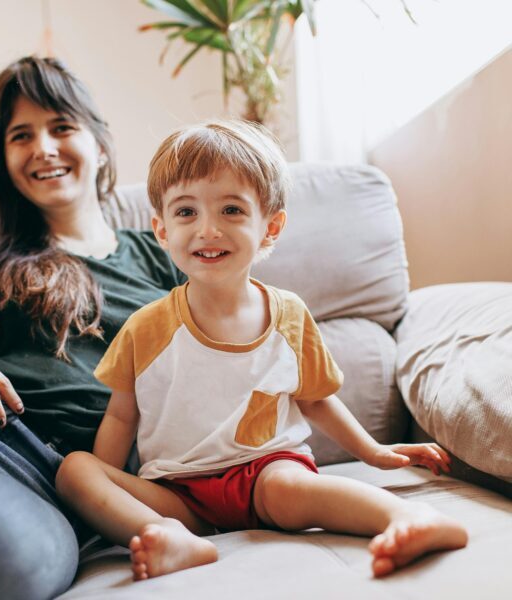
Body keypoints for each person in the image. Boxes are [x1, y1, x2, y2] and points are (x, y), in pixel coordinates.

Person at [55, 120, 469, 582]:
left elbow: (315, 400)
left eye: (231, 210)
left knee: (294, 488)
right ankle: (175, 540)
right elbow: (120, 417)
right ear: (161, 229)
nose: (207, 229)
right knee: (75, 470)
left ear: (270, 226)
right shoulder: (144, 328)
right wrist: (112, 494)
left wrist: (374, 453)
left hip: (266, 473)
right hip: (176, 492)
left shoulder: (289, 316)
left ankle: (410, 519)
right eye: (186, 212)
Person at [0, 56, 186, 599]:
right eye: (21, 135)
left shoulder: (165, 257)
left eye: (61, 126)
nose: (43, 147)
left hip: (55, 486)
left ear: (101, 145)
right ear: (4, 159)